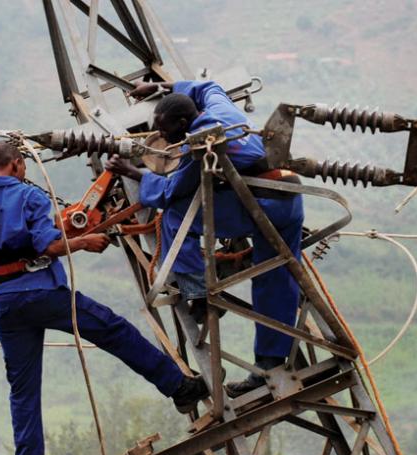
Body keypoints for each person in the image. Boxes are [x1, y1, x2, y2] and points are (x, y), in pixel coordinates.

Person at [0, 142, 208, 455]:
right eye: (23, 165)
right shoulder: (29, 197)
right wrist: (85, 241)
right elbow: (48, 245)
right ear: (15, 164)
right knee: (112, 330)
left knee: (23, 388)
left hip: (6, 301)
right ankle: (178, 387)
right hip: (42, 291)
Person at [106, 80, 304, 398]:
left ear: (184, 124)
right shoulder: (219, 108)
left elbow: (170, 193)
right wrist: (162, 86)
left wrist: (134, 172)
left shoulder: (199, 146)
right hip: (289, 197)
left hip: (261, 206)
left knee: (176, 217)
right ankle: (271, 364)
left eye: (166, 129)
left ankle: (197, 289)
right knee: (275, 280)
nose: (161, 136)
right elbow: (207, 86)